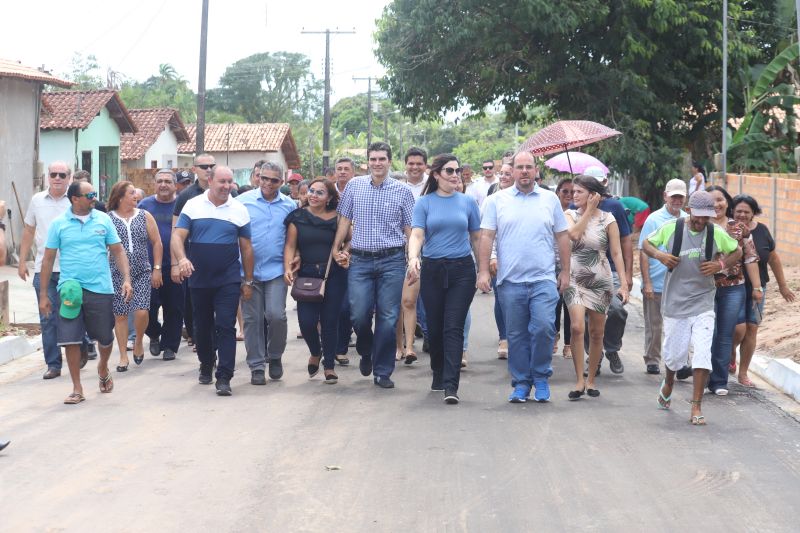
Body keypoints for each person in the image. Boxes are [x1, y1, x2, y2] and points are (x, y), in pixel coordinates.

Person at [477, 151, 570, 403]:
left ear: (536, 170)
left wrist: (565, 271)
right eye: (520, 167)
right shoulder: (497, 200)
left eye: (529, 167)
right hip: (510, 281)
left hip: (543, 279)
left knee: (543, 328)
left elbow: (562, 236)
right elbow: (486, 236)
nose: (525, 171)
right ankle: (521, 382)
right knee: (516, 335)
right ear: (513, 170)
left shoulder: (550, 200)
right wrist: (484, 270)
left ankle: (540, 377)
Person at [643, 190, 742, 425]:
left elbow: (737, 250)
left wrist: (720, 264)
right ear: (689, 211)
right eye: (697, 217)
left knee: (701, 353)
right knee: (675, 357)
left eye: (705, 218)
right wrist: (660, 255)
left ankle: (696, 405)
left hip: (703, 301)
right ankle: (669, 381)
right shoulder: (672, 228)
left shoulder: (715, 232)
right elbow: (646, 243)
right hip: (676, 302)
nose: (700, 222)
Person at [39, 180, 133, 404]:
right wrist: (43, 294)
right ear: (75, 199)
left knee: (104, 338)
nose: (94, 197)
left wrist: (126, 279)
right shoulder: (59, 224)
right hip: (70, 289)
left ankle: (102, 367)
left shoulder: (103, 220)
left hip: (100, 288)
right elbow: (48, 259)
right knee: (70, 339)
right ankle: (77, 388)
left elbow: (118, 252)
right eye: (89, 194)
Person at [332, 141, 415, 389]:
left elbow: (410, 229)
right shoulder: (355, 187)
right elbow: (344, 220)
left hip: (392, 260)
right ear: (367, 162)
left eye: (382, 159)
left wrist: (413, 259)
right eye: (373, 159)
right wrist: (336, 249)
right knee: (358, 314)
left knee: (389, 319)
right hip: (360, 260)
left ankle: (382, 371)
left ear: (390, 162)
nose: (377, 163)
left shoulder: (402, 191)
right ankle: (366, 350)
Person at [172, 165, 254, 396]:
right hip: (198, 277)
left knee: (226, 325)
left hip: (227, 278)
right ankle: (206, 363)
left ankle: (224, 376)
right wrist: (181, 260)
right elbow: (177, 237)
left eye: (230, 182)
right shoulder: (193, 205)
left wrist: (248, 281)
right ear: (210, 181)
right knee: (202, 325)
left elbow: (246, 248)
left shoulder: (239, 209)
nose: (226, 186)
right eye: (222, 181)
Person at [407, 154, 480, 404]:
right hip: (433, 270)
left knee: (453, 327)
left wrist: (483, 271)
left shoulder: (468, 203)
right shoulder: (424, 203)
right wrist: (413, 258)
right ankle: (438, 372)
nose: (455, 175)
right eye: (449, 171)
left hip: (462, 270)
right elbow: (417, 234)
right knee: (435, 328)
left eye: (457, 170)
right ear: (436, 175)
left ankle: (451, 384)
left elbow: (477, 238)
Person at [563, 175, 629, 399]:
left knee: (597, 332)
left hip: (600, 278)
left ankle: (591, 380)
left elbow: (617, 253)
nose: (574, 196)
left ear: (593, 195)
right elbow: (573, 235)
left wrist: (625, 284)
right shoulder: (570, 215)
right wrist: (589, 211)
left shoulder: (608, 219)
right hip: (574, 277)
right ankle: (579, 380)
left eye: (579, 192)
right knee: (577, 327)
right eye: (573, 192)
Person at [237, 161, 297, 384]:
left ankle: (275, 356)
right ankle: (256, 366)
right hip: (248, 272)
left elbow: (294, 238)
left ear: (281, 182)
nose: (268, 184)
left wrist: (294, 260)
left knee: (276, 316)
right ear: (257, 178)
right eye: (264, 178)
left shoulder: (289, 205)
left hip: (276, 271)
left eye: (274, 180)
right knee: (252, 320)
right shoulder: (242, 202)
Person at [283, 179, 349, 384]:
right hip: (306, 275)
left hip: (334, 274)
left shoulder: (338, 218)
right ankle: (315, 352)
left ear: (329, 198)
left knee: (330, 321)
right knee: (307, 322)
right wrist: (287, 267)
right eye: (311, 191)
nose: (313, 195)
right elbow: (290, 245)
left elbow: (350, 240)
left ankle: (329, 366)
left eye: (320, 193)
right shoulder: (297, 217)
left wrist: (344, 253)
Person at [18, 161, 78, 379]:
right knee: (47, 318)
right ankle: (53, 364)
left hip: (71, 269)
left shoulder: (74, 201)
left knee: (72, 314)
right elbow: (28, 230)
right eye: (54, 174)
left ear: (69, 178)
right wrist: (23, 260)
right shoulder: (37, 201)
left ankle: (81, 347)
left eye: (62, 175)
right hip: (44, 269)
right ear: (48, 176)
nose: (58, 178)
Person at [730, 194, 796, 386]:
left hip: (758, 288)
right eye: (739, 210)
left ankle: (743, 374)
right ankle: (730, 354)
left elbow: (774, 259)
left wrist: (783, 286)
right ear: (732, 211)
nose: (742, 214)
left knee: (752, 328)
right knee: (737, 328)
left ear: (753, 213)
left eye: (746, 211)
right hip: (733, 286)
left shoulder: (762, 231)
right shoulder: (726, 229)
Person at [706, 185, 760, 396]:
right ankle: (704, 372)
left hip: (733, 289)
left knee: (725, 333)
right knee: (708, 331)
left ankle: (719, 381)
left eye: (720, 199)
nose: (716, 204)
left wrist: (756, 287)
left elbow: (751, 258)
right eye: (710, 201)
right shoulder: (699, 226)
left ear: (727, 202)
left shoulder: (739, 228)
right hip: (704, 289)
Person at [580, 165, 632, 376]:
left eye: (599, 184)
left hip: (609, 269)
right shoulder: (576, 210)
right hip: (583, 271)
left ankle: (611, 348)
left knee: (617, 310)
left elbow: (625, 242)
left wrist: (627, 276)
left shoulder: (615, 207)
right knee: (585, 317)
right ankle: (594, 355)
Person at [106, 181, 163, 372]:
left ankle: (138, 340)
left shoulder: (144, 216)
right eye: (131, 193)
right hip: (117, 274)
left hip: (142, 271)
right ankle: (123, 355)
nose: (136, 196)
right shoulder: (109, 219)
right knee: (120, 315)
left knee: (141, 311)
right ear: (120, 197)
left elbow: (157, 242)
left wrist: (157, 268)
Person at [638, 179, 688, 375]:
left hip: (680, 283)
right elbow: (643, 250)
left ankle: (681, 362)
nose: (676, 200)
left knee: (680, 325)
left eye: (680, 197)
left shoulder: (688, 219)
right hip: (657, 281)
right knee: (655, 324)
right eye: (673, 196)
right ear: (665, 196)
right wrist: (647, 282)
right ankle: (652, 359)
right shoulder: (653, 219)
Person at [173, 154, 216, 351]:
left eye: (211, 166)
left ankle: (211, 339)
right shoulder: (186, 196)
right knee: (192, 301)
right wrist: (177, 262)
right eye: (204, 166)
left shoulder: (226, 192)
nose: (208, 169)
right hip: (191, 258)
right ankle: (196, 336)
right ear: (194, 169)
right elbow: (176, 231)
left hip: (218, 258)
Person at [139, 169, 182, 361]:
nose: (163, 185)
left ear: (175, 185)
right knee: (147, 307)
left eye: (167, 181)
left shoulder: (182, 204)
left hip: (175, 265)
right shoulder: (144, 205)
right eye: (160, 181)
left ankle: (170, 346)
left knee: (174, 307)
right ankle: (154, 333)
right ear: (154, 184)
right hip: (148, 266)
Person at [396, 147, 429, 363]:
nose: (415, 167)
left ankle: (428, 334)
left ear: (425, 165)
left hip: (432, 248)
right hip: (404, 249)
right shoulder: (397, 188)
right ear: (405, 164)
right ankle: (404, 344)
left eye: (419, 163)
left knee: (428, 297)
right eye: (411, 163)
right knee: (405, 300)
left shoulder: (433, 186)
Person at [487, 163, 514, 358]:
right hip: (500, 259)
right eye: (501, 174)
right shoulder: (493, 199)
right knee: (502, 298)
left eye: (507, 173)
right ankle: (504, 337)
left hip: (523, 259)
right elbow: (488, 233)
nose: (503, 177)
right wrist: (492, 256)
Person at [333, 157, 357, 363]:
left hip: (354, 254)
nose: (342, 172)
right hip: (327, 256)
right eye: (339, 169)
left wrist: (346, 250)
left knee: (347, 305)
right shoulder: (327, 192)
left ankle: (341, 346)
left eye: (346, 169)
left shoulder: (360, 190)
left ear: (353, 172)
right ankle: (329, 346)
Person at [554, 177, 574, 359]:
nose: (568, 195)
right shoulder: (551, 211)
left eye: (572, 192)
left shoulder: (577, 214)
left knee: (569, 305)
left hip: (572, 265)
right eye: (565, 191)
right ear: (557, 193)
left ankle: (568, 343)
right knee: (554, 303)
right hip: (552, 265)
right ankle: (554, 335)